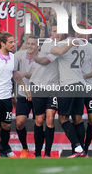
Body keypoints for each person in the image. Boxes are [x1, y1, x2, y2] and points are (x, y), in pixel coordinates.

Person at [49, 18, 87, 158]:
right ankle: (81, 150)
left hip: (68, 85)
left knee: (63, 118)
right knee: (77, 119)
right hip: (80, 84)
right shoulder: (83, 44)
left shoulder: (63, 44)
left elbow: (56, 54)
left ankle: (77, 147)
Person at [29, 23, 62, 157]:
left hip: (54, 87)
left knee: (50, 118)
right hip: (38, 85)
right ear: (51, 33)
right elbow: (46, 61)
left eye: (59, 31)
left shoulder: (64, 45)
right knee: (39, 119)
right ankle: (38, 152)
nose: (57, 34)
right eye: (54, 31)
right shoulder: (49, 43)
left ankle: (47, 153)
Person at [75, 23, 92, 156]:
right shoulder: (68, 47)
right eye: (77, 31)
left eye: (82, 31)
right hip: (76, 88)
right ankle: (79, 148)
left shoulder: (91, 48)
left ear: (86, 33)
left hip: (91, 88)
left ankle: (86, 147)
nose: (79, 34)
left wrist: (84, 76)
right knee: (77, 119)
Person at [13, 35, 39, 157]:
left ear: (38, 46)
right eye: (28, 43)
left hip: (38, 94)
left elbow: (32, 76)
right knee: (19, 123)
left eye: (32, 44)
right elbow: (14, 74)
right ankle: (25, 148)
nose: (29, 46)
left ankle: (39, 151)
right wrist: (25, 88)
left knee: (39, 122)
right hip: (24, 94)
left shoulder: (42, 57)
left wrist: (23, 73)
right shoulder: (19, 55)